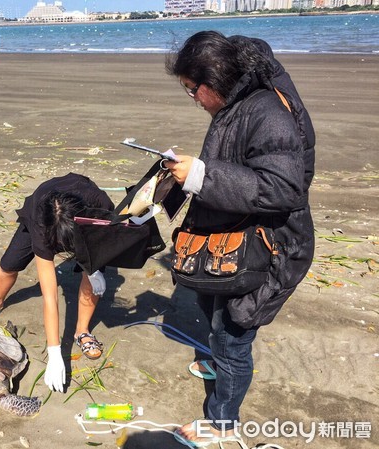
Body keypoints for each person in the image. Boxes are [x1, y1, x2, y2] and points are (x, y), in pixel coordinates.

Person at [163, 31, 315, 446]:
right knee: (214, 313)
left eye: (192, 90)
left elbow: (283, 188)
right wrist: (181, 178)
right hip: (229, 237)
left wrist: (201, 175)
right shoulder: (235, 105)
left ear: (214, 82)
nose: (193, 98)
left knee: (233, 333)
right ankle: (217, 363)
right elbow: (230, 169)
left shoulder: (267, 112)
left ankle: (222, 421)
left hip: (267, 248)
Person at [0, 173, 114, 393]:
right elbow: (50, 297)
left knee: (93, 277)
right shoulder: (40, 221)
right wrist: (55, 353)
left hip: (89, 229)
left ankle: (82, 331)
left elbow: (108, 239)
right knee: (9, 263)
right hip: (42, 211)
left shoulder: (101, 204)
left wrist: (94, 267)